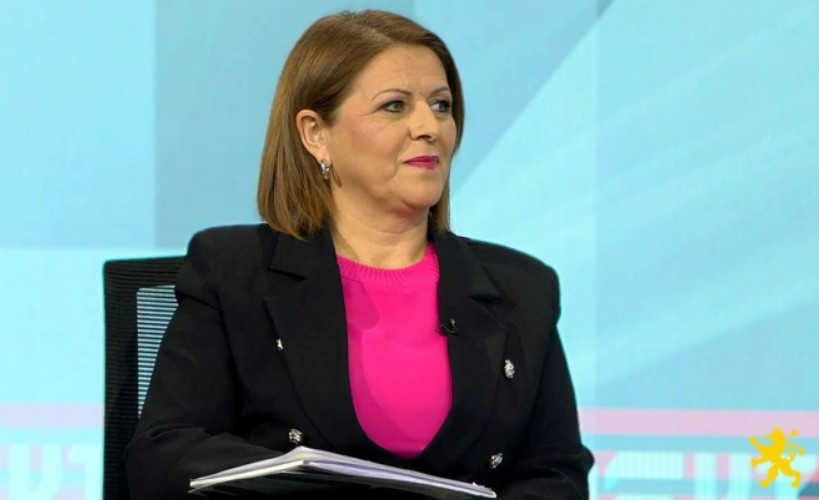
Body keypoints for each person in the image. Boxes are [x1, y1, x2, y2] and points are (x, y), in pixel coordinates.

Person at [125, 9, 594, 500]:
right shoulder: (233, 270)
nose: (429, 126)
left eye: (441, 105)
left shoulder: (522, 288)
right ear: (315, 133)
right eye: (395, 106)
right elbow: (165, 453)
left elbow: (556, 474)